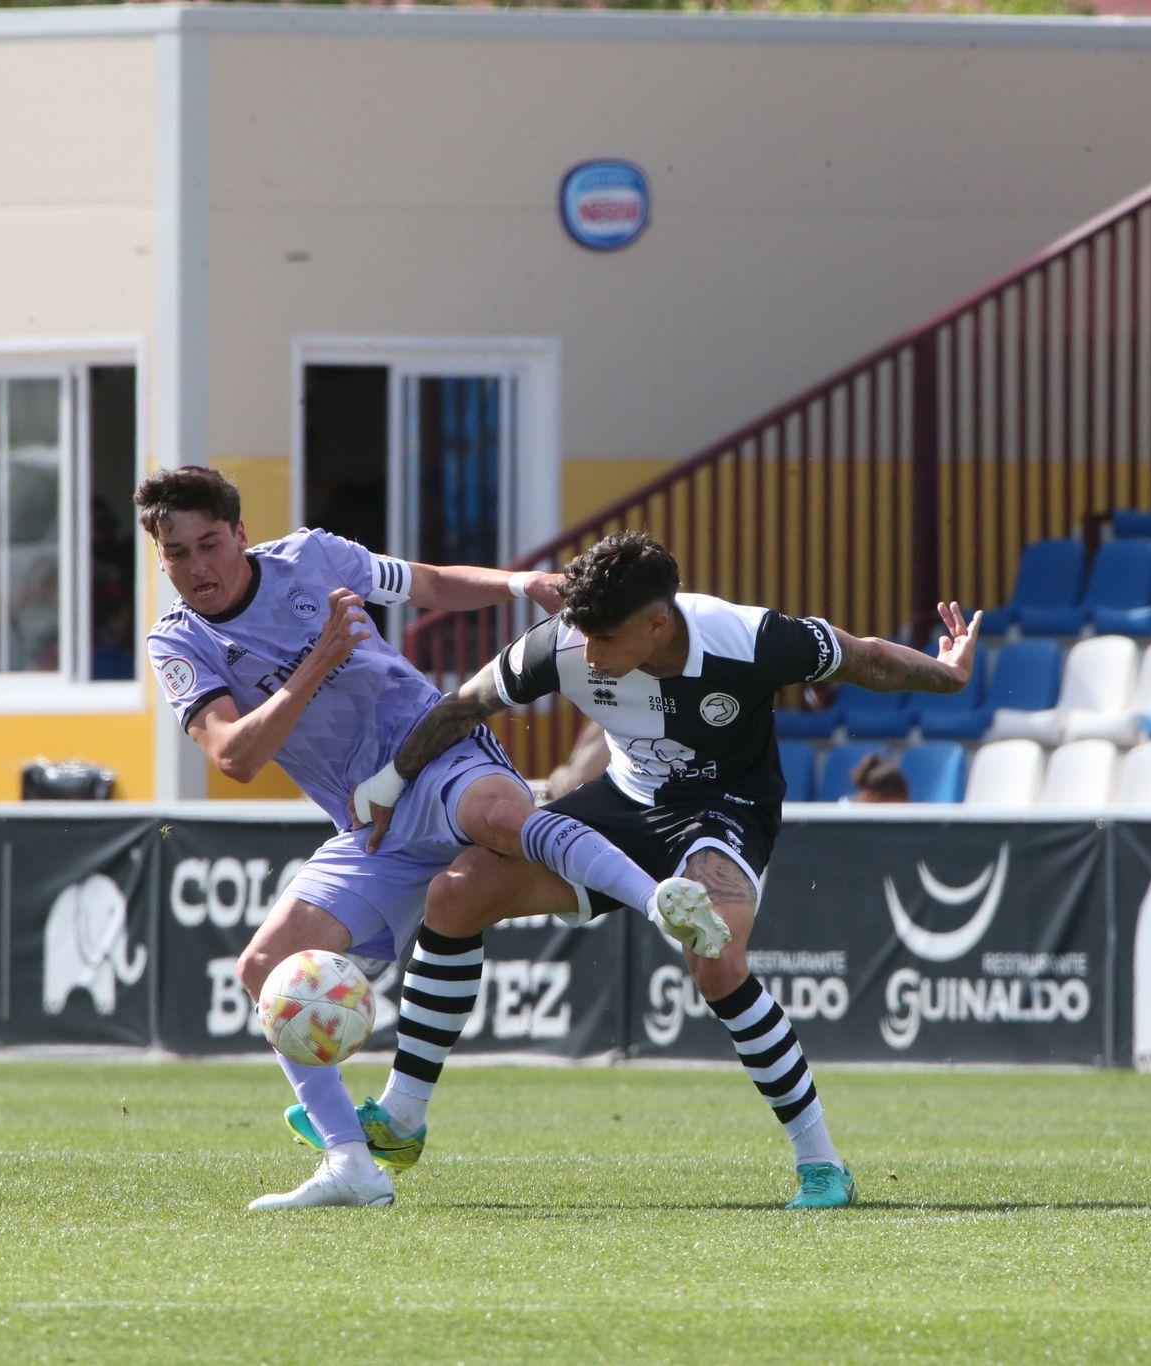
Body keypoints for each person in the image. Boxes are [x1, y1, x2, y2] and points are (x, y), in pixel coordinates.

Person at [317, 531, 980, 1209]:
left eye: (605, 640)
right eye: (582, 635)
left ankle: (821, 1164)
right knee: (456, 893)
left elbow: (864, 659)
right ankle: (401, 1118)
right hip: (626, 801)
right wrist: (392, 778)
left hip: (727, 808)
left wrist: (949, 675)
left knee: (714, 957)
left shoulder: (748, 639)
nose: (590, 655)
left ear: (658, 623)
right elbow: (463, 706)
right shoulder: (562, 643)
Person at [137, 468, 726, 1211]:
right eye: (178, 555)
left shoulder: (313, 558)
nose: (198, 568)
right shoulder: (178, 642)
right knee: (263, 966)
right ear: (160, 561)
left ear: (241, 535)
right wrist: (317, 663)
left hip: (437, 752)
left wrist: (519, 587)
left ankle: (660, 901)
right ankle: (352, 1162)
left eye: (209, 544)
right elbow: (235, 756)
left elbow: (429, 583)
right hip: (371, 824)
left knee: (500, 821)